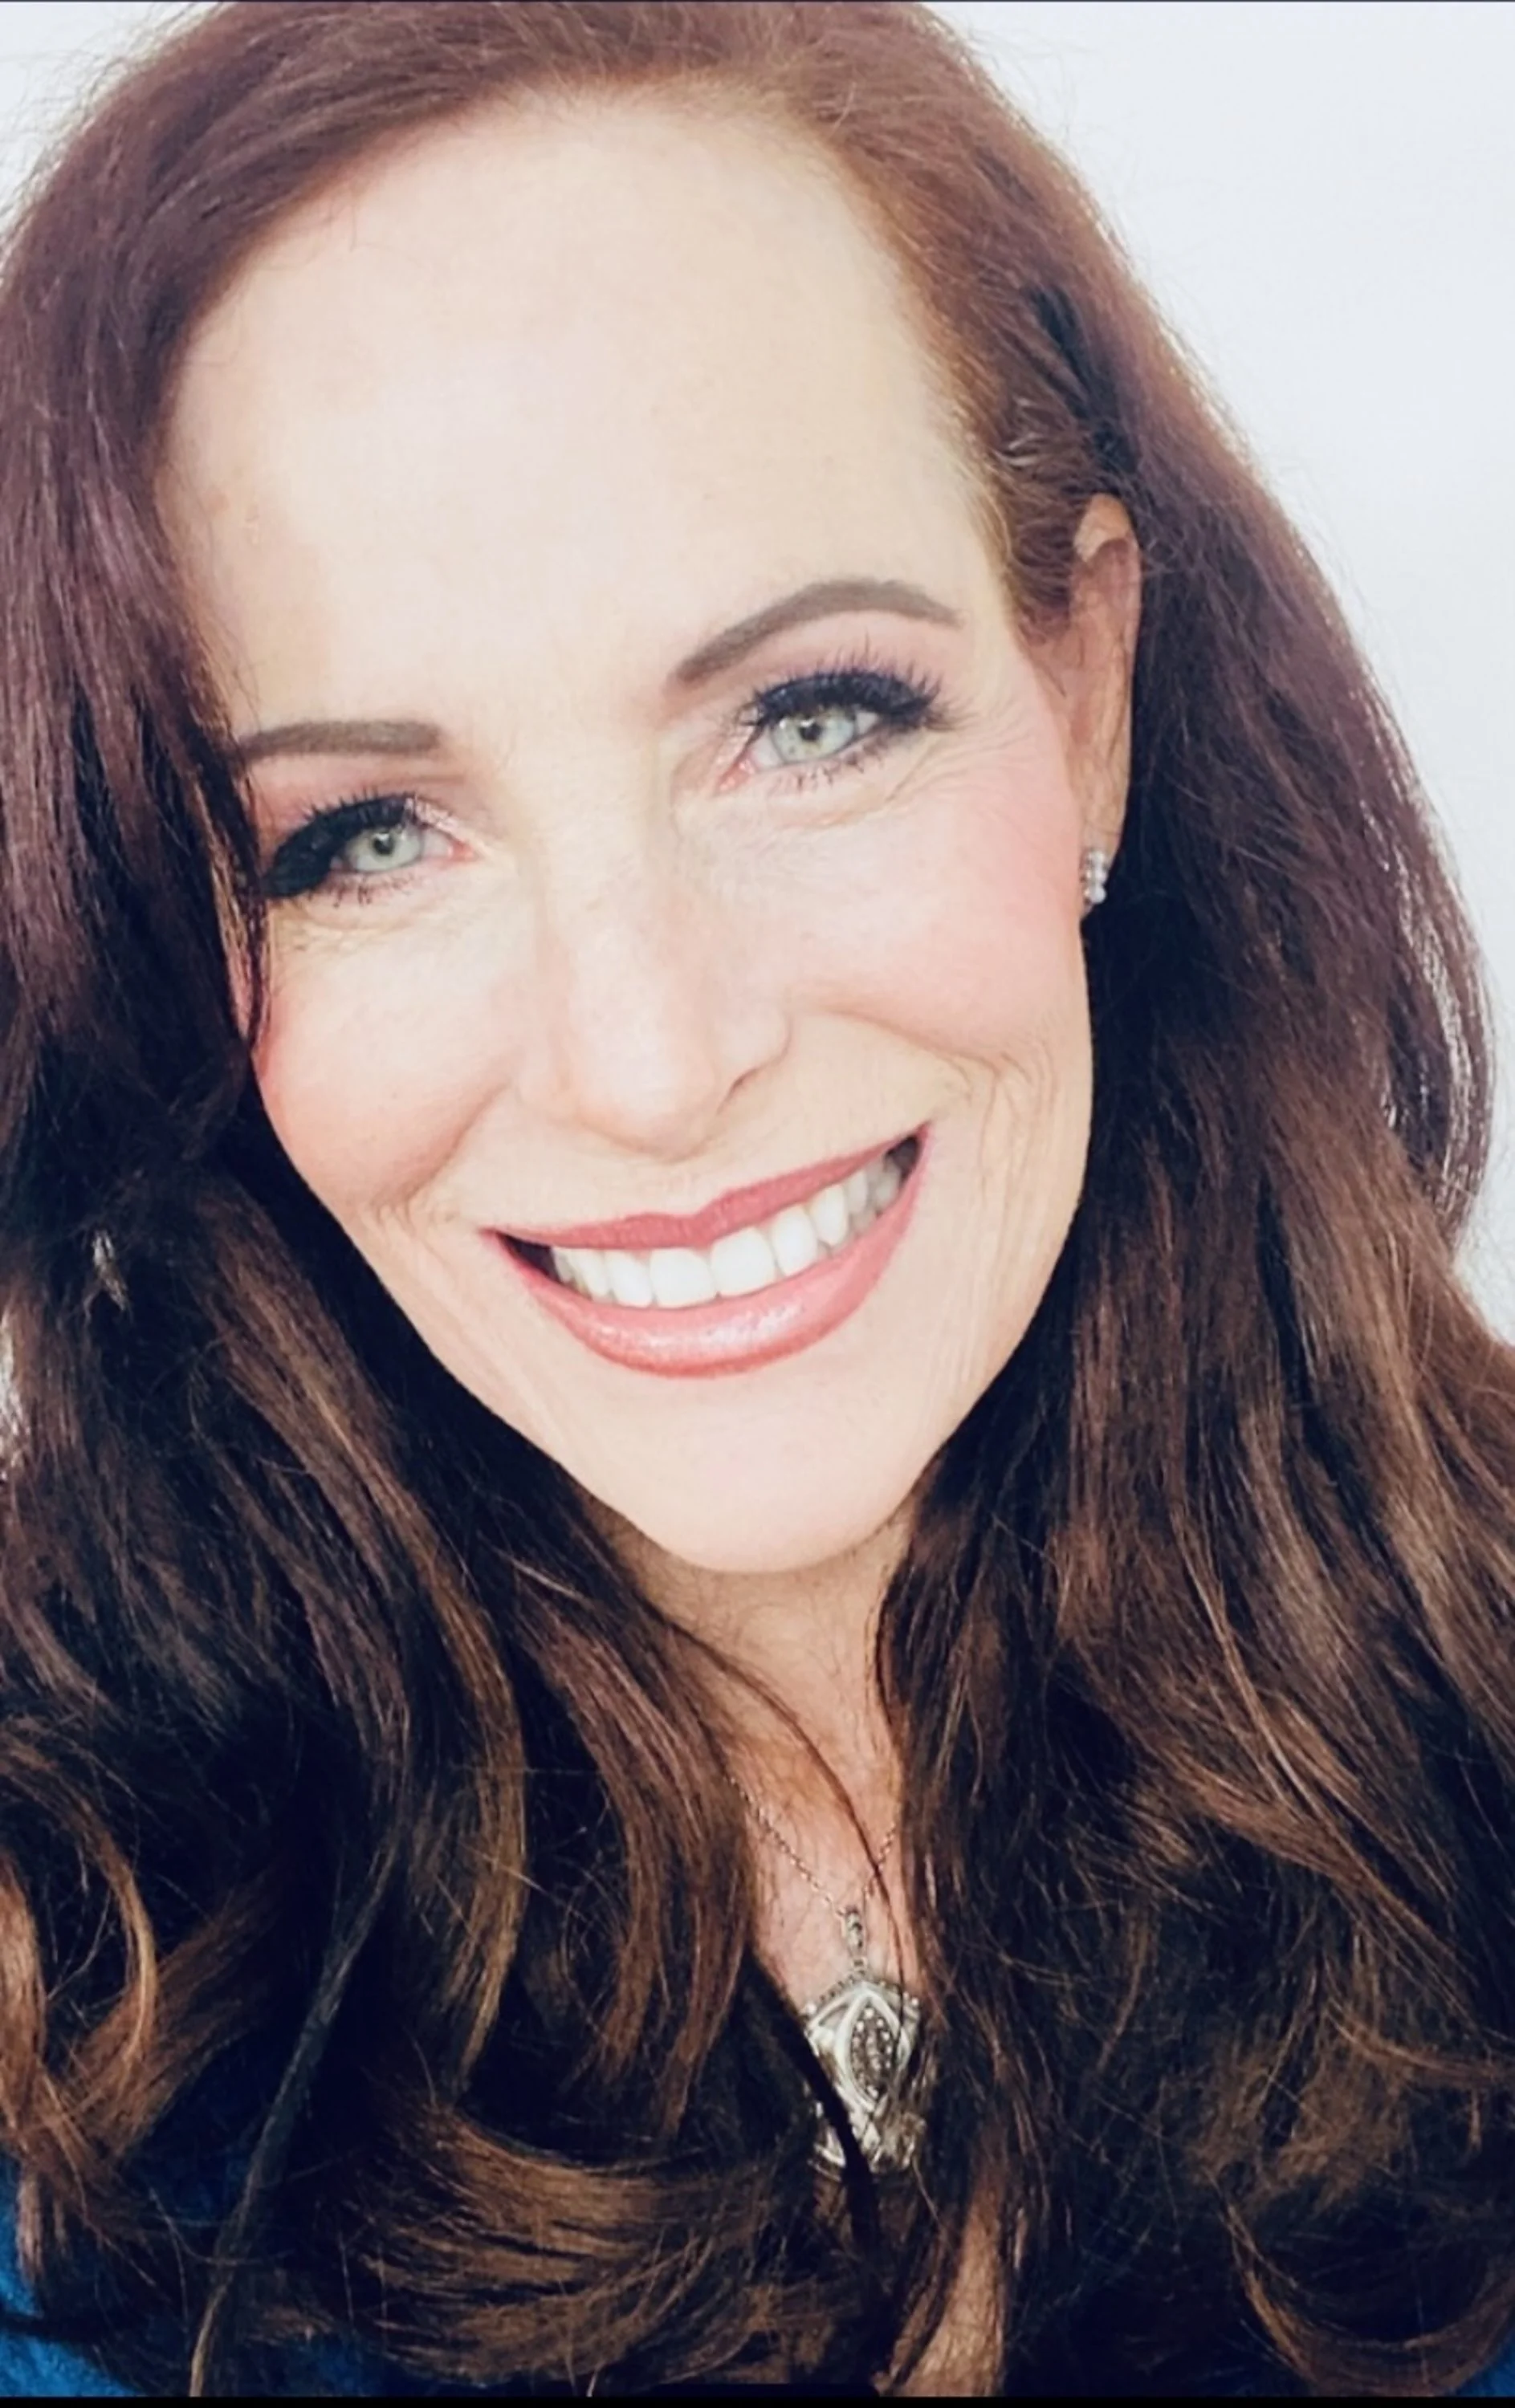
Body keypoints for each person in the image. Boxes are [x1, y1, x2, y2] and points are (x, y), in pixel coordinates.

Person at [1, 0, 1513, 2392]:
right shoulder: (66, 1973)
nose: (649, 1063)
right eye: (361, 838)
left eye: (810, 720)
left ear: (1086, 692)